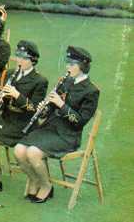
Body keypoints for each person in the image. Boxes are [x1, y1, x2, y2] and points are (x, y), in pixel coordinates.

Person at [15, 46, 99, 203]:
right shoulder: (65, 81)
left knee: (33, 152)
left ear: (83, 66)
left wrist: (61, 105)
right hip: (50, 129)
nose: (68, 67)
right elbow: (51, 107)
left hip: (68, 135)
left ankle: (46, 186)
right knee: (19, 150)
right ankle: (35, 180)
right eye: (68, 63)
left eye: (72, 64)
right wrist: (44, 109)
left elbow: (80, 122)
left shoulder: (91, 91)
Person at [0, 40, 48, 194]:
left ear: (33, 61)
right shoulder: (10, 74)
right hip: (7, 120)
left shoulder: (40, 81)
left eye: (23, 58)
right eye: (18, 57)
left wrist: (16, 95)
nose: (19, 61)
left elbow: (34, 110)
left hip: (24, 124)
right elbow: (3, 103)